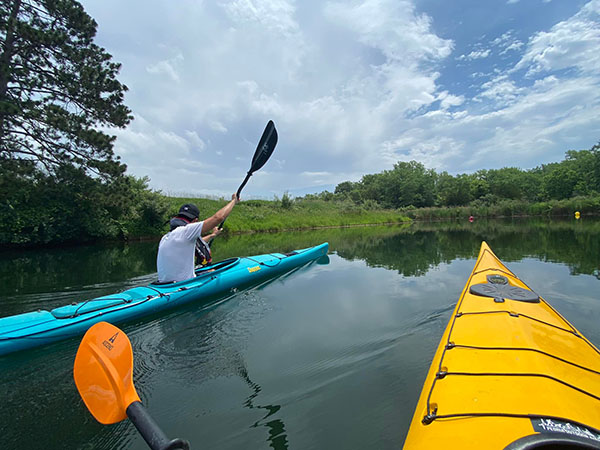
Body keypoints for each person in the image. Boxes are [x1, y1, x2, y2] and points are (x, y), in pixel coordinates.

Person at [156, 194, 240, 283]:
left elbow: (196, 244)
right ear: (195, 220)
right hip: (183, 285)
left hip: (164, 284)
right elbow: (218, 218)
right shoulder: (187, 230)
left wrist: (212, 235)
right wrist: (233, 201)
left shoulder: (166, 237)